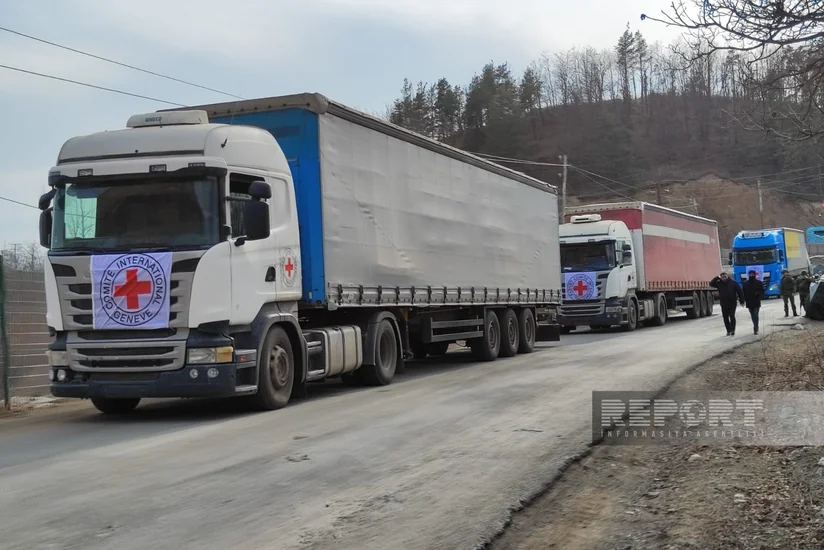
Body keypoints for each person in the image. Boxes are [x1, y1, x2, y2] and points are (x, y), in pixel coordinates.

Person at [710, 272, 745, 336]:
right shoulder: (719, 283)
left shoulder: (733, 283)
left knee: (732, 316)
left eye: (725, 276)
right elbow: (711, 284)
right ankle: (728, 330)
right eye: (722, 277)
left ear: (727, 276)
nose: (724, 278)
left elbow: (740, 292)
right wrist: (717, 277)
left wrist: (742, 301)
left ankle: (733, 330)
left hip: (732, 303)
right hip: (724, 303)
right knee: (725, 317)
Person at [742, 269, 765, 334]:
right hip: (749, 302)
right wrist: (743, 300)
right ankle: (755, 325)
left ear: (755, 275)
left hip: (756, 301)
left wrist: (758, 294)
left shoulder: (759, 282)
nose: (751, 275)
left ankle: (755, 327)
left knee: (755, 314)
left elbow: (762, 291)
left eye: (752, 274)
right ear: (749, 275)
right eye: (750, 274)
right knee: (752, 315)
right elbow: (743, 292)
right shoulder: (745, 283)